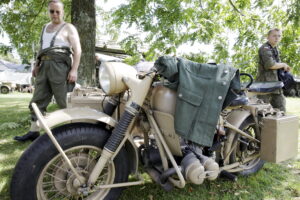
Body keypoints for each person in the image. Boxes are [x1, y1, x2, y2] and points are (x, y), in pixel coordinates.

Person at [14, 0, 82, 142]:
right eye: (52, 11)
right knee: (37, 100)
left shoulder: (69, 28)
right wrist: (36, 64)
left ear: (62, 12)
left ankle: (76, 134)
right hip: (43, 66)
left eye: (58, 11)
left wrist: (74, 70)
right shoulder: (45, 27)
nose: (55, 14)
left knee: (64, 101)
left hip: (60, 67)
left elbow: (78, 50)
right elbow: (41, 48)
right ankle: (34, 131)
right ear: (48, 11)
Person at [256, 28, 291, 112]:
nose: (277, 38)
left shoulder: (274, 48)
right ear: (268, 37)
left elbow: (276, 65)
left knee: (281, 107)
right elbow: (270, 65)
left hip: (275, 83)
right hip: (264, 85)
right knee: (262, 110)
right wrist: (283, 64)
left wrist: (283, 68)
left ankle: (280, 125)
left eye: (279, 36)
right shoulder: (265, 48)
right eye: (274, 36)